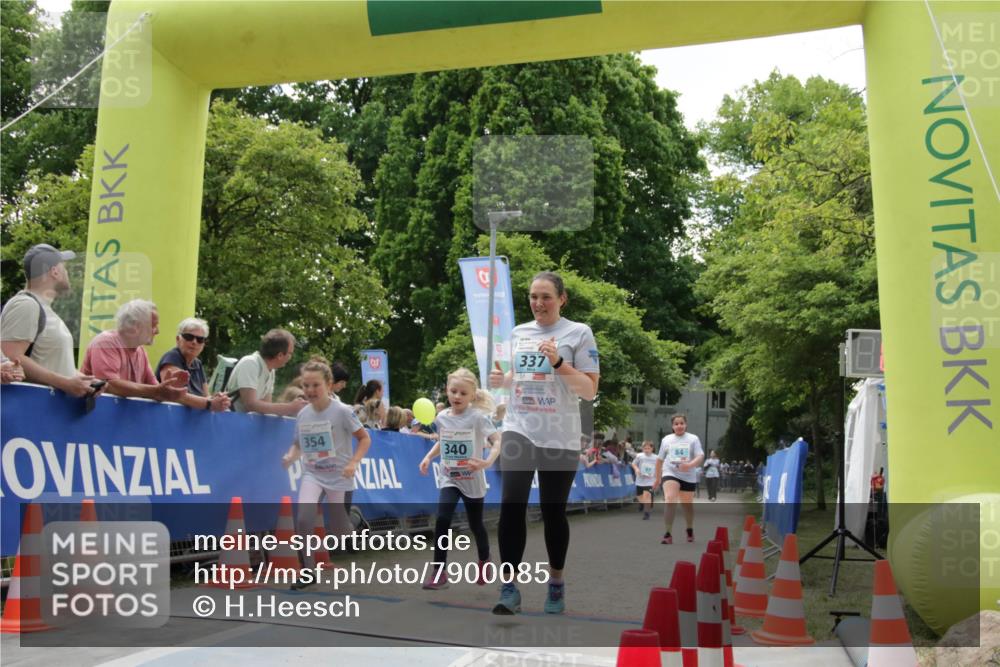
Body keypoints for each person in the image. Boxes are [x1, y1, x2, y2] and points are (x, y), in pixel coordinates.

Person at [489, 271, 600, 615]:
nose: (538, 303)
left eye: (546, 297)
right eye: (533, 296)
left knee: (553, 512)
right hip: (519, 427)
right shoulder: (518, 333)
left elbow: (589, 389)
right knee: (511, 503)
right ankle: (509, 588)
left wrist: (558, 362)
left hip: (560, 432)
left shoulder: (579, 333)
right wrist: (501, 380)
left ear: (562, 299)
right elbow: (520, 377)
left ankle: (555, 583)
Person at [282, 356, 371, 588]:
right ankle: (308, 572)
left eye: (315, 385)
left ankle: (355, 521)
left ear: (329, 385)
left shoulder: (342, 411)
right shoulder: (303, 414)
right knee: (303, 519)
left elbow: (364, 439)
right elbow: (298, 443)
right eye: (306, 385)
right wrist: (291, 455)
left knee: (340, 533)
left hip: (339, 476)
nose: (310, 390)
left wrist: (353, 462)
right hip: (313, 473)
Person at [418, 368, 500, 589]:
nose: (457, 397)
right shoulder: (442, 417)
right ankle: (439, 571)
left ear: (472, 396)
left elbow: (497, 441)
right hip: (450, 477)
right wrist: (428, 457)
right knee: (443, 519)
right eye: (453, 391)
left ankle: (484, 560)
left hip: (472, 479)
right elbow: (442, 441)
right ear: (447, 390)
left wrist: (487, 462)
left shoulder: (478, 418)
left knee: (476, 525)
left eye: (463, 393)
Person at [1, 243, 98, 397]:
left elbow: (51, 364)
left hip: (48, 414)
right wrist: (64, 383)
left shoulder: (42, 308)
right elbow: (11, 358)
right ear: (55, 271)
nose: (67, 272)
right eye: (64, 268)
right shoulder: (26, 305)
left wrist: (83, 380)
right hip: (32, 412)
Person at [81, 299, 213, 407]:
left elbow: (159, 390)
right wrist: (158, 391)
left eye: (200, 340)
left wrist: (207, 403)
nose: (157, 331)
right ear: (136, 326)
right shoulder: (106, 342)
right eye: (154, 325)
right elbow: (111, 385)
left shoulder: (140, 351)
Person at [155, 317, 230, 410]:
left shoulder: (197, 364)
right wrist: (209, 403)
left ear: (203, 344)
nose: (194, 342)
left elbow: (206, 396)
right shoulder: (172, 357)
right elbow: (175, 394)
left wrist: (218, 399)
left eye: (200, 339)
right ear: (178, 339)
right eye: (189, 337)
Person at [226, 328, 306, 416]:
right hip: (231, 422)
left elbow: (266, 407)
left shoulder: (271, 370)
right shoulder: (250, 363)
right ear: (279, 355)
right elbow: (250, 404)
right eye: (290, 354)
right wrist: (290, 408)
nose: (291, 358)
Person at [654, 414, 705, 544]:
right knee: (670, 498)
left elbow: (700, 456)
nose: (679, 426)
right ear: (672, 426)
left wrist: (689, 465)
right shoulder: (666, 439)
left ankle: (689, 529)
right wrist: (657, 478)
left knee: (687, 505)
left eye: (681, 423)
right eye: (676, 424)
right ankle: (668, 533)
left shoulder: (693, 439)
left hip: (688, 475)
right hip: (670, 471)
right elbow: (659, 460)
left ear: (686, 424)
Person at [632, 441, 658, 520]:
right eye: (645, 448)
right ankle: (643, 504)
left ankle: (646, 513)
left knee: (647, 496)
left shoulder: (656, 457)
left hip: (650, 480)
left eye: (648, 448)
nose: (647, 450)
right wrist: (636, 469)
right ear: (642, 449)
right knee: (639, 495)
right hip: (640, 480)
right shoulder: (639, 456)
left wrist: (657, 475)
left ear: (652, 449)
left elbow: (659, 467)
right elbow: (633, 464)